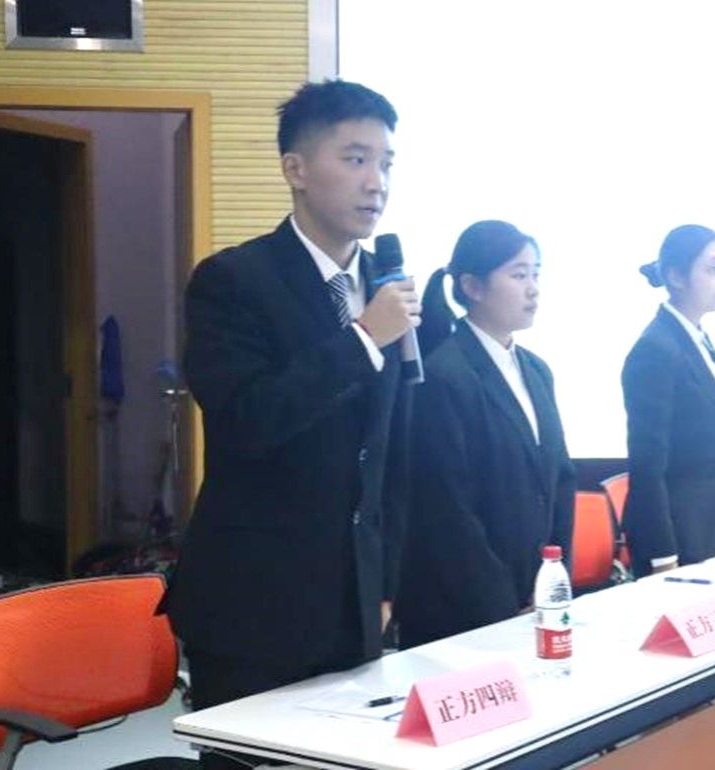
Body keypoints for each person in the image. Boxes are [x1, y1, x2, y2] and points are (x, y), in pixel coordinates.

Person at [160, 80, 419, 769]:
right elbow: (247, 420)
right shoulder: (233, 281)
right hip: (256, 600)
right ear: (295, 169)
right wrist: (362, 340)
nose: (376, 182)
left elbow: (393, 453)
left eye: (387, 163)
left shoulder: (389, 288)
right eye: (355, 159)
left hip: (355, 600)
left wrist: (387, 580)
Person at [394, 220, 576, 648]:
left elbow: (560, 479)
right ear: (472, 287)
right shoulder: (443, 374)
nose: (533, 289)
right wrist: (503, 608)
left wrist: (551, 582)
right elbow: (447, 509)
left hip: (534, 597)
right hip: (465, 610)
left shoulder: (537, 370)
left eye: (536, 274)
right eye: (518, 275)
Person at [621, 225, 715, 577]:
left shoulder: (695, 338)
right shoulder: (656, 349)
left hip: (707, 522)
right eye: (712, 269)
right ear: (676, 276)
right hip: (674, 532)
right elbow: (648, 464)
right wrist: (662, 554)